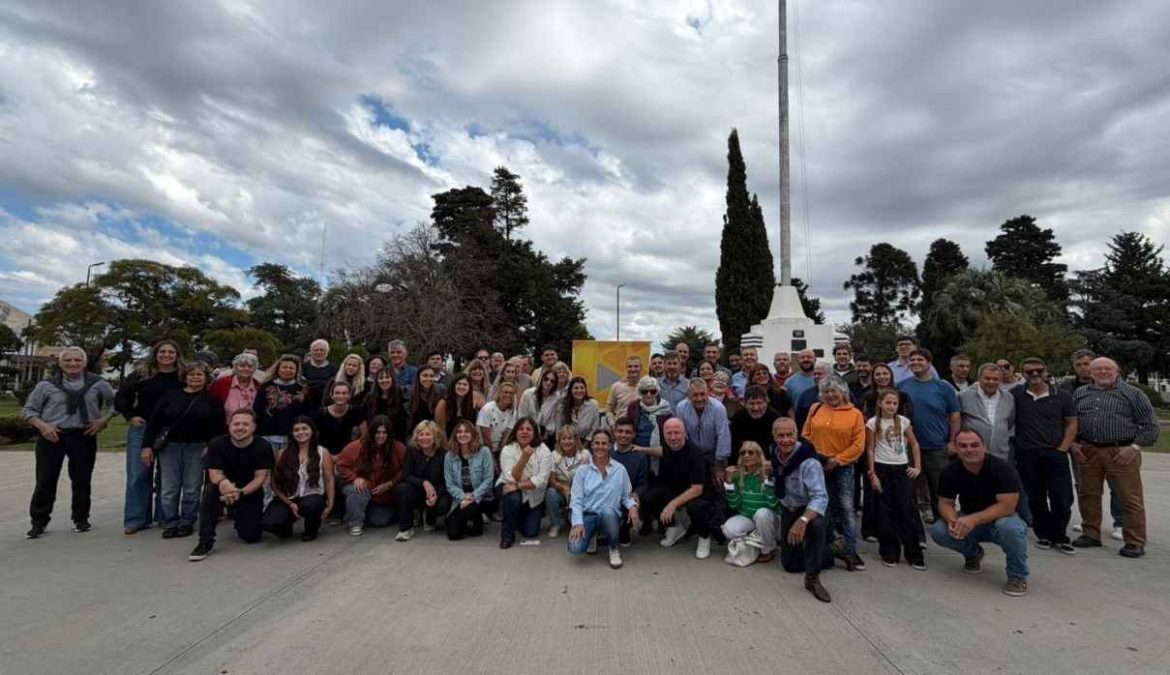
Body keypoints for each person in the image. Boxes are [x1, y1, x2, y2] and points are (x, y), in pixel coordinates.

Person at [22, 347, 116, 539]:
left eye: (77, 360)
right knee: (45, 479)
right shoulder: (46, 385)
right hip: (52, 436)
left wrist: (103, 420)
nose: (73, 364)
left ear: (85, 362)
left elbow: (117, 403)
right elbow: (29, 411)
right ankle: (38, 522)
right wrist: (43, 426)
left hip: (84, 435)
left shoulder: (98, 384)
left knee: (82, 479)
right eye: (68, 360)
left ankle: (81, 518)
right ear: (60, 363)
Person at [1070, 357, 1159, 558]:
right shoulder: (1080, 394)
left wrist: (1134, 447)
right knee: (1088, 494)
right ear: (1090, 373)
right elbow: (1071, 422)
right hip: (1088, 451)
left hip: (1122, 452)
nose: (1103, 372)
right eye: (1098, 369)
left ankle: (1134, 541)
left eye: (1107, 368)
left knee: (1129, 498)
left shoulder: (1133, 394)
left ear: (1117, 371)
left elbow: (1151, 426)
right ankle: (1090, 533)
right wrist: (1074, 444)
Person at [930, 429, 1030, 597]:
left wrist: (972, 520)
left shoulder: (1003, 469)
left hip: (1001, 519)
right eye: (963, 446)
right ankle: (973, 554)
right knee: (940, 530)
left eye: (974, 445)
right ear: (956, 448)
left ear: (984, 446)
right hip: (970, 519)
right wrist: (954, 521)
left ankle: (1018, 576)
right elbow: (945, 503)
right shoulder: (950, 471)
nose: (969, 450)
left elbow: (1007, 507)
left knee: (1011, 529)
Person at [142, 361, 224, 539]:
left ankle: (187, 521)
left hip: (198, 447)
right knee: (169, 488)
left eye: (199, 375)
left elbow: (218, 427)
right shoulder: (170, 396)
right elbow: (154, 422)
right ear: (185, 377)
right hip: (170, 447)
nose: (195, 378)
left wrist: (211, 446)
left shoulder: (212, 399)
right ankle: (170, 521)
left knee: (192, 488)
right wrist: (147, 446)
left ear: (206, 378)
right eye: (192, 374)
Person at [115, 339, 183, 535]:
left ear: (177, 355)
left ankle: (165, 515)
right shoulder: (141, 375)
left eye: (171, 352)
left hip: (170, 430)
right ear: (155, 354)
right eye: (163, 352)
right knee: (138, 474)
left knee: (167, 477)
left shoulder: (182, 376)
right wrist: (130, 415)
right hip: (142, 428)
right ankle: (136, 518)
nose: (167, 355)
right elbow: (121, 397)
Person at [187, 410, 273, 561]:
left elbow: (260, 478)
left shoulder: (263, 446)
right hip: (222, 488)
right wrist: (224, 484)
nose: (240, 427)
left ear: (254, 427)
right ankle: (205, 541)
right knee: (209, 491)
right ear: (229, 426)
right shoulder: (216, 443)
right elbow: (214, 474)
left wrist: (239, 493)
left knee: (252, 537)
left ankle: (237, 514)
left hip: (248, 491)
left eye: (245, 424)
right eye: (236, 424)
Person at [1011, 357, 1078, 553]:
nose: (1034, 375)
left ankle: (1060, 535)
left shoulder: (1062, 395)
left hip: (1055, 453)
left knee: (1062, 498)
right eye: (1029, 372)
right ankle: (1044, 535)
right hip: (1027, 454)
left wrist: (1063, 448)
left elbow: (1072, 422)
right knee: (1035, 498)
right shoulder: (1017, 394)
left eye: (1038, 370)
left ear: (1046, 371)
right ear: (1023, 374)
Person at [802, 377, 867, 571]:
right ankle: (828, 547)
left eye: (834, 391)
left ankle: (849, 549)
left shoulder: (855, 414)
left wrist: (837, 459)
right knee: (824, 507)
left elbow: (858, 444)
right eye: (827, 392)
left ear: (843, 392)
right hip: (818, 463)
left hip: (843, 466)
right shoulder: (816, 409)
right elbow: (806, 434)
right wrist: (817, 455)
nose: (830, 395)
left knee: (846, 509)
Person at [768, 417, 834, 603]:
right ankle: (829, 552)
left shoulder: (809, 462)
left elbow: (820, 497)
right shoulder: (775, 452)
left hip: (811, 507)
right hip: (789, 505)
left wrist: (803, 520)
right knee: (789, 565)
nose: (785, 440)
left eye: (790, 435)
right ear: (774, 436)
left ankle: (813, 577)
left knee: (816, 525)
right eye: (780, 436)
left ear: (796, 434)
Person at [1060, 348, 1123, 538]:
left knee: (1117, 485)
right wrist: (1071, 443)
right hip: (1081, 444)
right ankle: (1089, 521)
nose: (1082, 368)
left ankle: (1120, 522)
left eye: (1086, 364)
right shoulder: (1067, 388)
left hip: (1112, 444)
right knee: (1084, 486)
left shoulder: (1113, 385)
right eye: (1078, 365)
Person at [638, 418, 717, 559]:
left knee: (695, 507)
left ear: (685, 433)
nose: (673, 437)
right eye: (669, 433)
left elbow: (697, 489)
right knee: (649, 496)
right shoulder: (669, 446)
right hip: (677, 487)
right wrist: (642, 449)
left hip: (700, 493)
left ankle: (704, 537)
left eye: (677, 433)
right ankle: (675, 527)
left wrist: (672, 504)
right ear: (663, 434)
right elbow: (662, 451)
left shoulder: (695, 454)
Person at [897, 348, 960, 521]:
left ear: (929, 363)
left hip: (937, 446)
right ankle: (913, 530)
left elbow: (954, 415)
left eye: (920, 359)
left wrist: (953, 441)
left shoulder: (943, 387)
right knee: (908, 491)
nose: (915, 362)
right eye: (912, 360)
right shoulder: (903, 386)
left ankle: (944, 527)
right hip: (908, 447)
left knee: (940, 490)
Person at [865, 389, 925, 569]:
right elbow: (870, 449)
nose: (891, 406)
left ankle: (914, 553)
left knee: (905, 511)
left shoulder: (903, 421)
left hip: (901, 468)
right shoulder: (873, 423)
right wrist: (872, 473)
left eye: (895, 403)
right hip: (882, 468)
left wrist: (917, 466)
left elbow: (914, 443)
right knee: (884, 513)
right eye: (888, 402)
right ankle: (889, 552)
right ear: (880, 403)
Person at [568, 429, 642, 569]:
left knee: (607, 511)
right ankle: (592, 535)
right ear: (592, 445)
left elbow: (626, 495)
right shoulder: (582, 471)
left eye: (604, 443)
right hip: (588, 515)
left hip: (610, 517)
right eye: (597, 443)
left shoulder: (620, 469)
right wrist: (577, 523)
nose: (600, 446)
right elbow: (576, 500)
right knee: (575, 548)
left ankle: (613, 548)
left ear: (609, 446)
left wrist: (632, 507)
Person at [261, 416, 334, 541]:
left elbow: (329, 479)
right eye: (297, 430)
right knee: (269, 523)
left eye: (305, 428)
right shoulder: (282, 453)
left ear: (312, 431)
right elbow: (275, 483)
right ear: (292, 433)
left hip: (313, 495)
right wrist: (289, 502)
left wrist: (330, 504)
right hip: (289, 496)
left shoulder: (323, 452)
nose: (301, 432)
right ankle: (285, 526)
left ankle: (311, 529)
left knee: (311, 506)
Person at [334, 415, 407, 536]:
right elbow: (341, 466)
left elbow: (405, 469)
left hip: (384, 494)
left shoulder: (398, 447)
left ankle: (356, 511)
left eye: (385, 432)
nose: (381, 436)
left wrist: (390, 484)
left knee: (379, 521)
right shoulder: (356, 446)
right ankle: (355, 523)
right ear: (371, 431)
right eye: (377, 432)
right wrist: (355, 478)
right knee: (356, 490)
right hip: (363, 487)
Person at [495, 417, 554, 548]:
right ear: (516, 432)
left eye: (529, 429)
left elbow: (542, 480)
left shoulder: (544, 450)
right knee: (513, 498)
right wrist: (524, 457)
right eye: (521, 429)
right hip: (508, 488)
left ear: (535, 433)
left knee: (530, 532)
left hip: (532, 494)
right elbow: (510, 477)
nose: (524, 432)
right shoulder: (508, 449)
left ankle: (517, 515)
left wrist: (518, 485)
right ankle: (507, 535)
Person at [721, 441, 780, 564]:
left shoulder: (768, 472)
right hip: (747, 517)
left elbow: (774, 504)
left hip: (769, 518)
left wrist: (767, 481)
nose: (746, 455)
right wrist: (730, 484)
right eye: (743, 453)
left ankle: (767, 549)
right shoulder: (739, 475)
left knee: (762, 514)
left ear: (759, 455)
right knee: (728, 529)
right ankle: (755, 541)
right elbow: (734, 505)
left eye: (751, 452)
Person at [393, 420, 450, 541]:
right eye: (421, 434)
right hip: (417, 490)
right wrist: (424, 482)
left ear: (435, 437)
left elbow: (446, 481)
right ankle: (406, 529)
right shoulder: (412, 451)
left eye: (428, 434)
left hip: (436, 492)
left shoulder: (444, 455)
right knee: (402, 488)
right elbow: (406, 475)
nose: (424, 438)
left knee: (444, 503)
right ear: (416, 437)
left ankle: (429, 517)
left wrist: (435, 494)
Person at [444, 420, 497, 540]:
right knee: (453, 535)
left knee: (472, 528)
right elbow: (449, 483)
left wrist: (473, 496)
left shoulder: (484, 452)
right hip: (460, 499)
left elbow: (488, 480)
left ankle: (477, 519)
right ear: (455, 435)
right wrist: (463, 497)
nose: (463, 434)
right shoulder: (449, 456)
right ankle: (466, 519)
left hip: (481, 497)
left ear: (473, 434)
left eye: (467, 431)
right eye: (459, 432)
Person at [958, 363, 1015, 461]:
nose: (991, 382)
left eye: (995, 379)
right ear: (979, 378)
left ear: (1000, 380)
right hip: (971, 454)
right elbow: (956, 420)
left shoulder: (1008, 397)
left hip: (1000, 455)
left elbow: (1009, 421)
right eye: (987, 378)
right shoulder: (964, 396)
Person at [253, 355, 309, 452]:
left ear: (297, 371)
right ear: (278, 369)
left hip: (292, 436)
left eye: (291, 368)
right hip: (266, 434)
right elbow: (257, 409)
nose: (287, 370)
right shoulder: (265, 387)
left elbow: (306, 413)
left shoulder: (302, 389)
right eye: (284, 367)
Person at [545, 425, 591, 538]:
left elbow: (589, 479)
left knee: (572, 521)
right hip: (561, 490)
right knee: (550, 493)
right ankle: (555, 524)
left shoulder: (585, 455)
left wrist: (575, 493)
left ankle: (570, 517)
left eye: (570, 438)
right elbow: (552, 480)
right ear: (559, 441)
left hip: (580, 492)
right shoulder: (554, 455)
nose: (567, 441)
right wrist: (563, 488)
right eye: (564, 438)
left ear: (576, 439)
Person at [611, 416, 650, 546]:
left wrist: (636, 494)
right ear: (614, 432)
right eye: (620, 431)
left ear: (633, 434)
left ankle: (624, 531)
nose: (623, 435)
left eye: (628, 432)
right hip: (606, 495)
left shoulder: (640, 457)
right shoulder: (605, 451)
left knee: (633, 501)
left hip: (627, 497)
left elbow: (643, 483)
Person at [674, 379, 731, 466]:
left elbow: (723, 435)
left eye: (702, 394)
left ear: (707, 393)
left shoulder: (719, 408)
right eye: (695, 395)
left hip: (714, 455)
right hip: (691, 455)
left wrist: (719, 464)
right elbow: (683, 435)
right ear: (688, 395)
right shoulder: (681, 408)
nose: (699, 399)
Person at [730, 386, 785, 466]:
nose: (755, 408)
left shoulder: (776, 418)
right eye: (751, 403)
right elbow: (733, 445)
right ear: (745, 404)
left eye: (759, 403)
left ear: (767, 402)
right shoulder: (738, 417)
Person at [315, 381, 366, 457]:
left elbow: (364, 436)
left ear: (349, 395)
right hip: (326, 455)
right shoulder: (322, 413)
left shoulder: (357, 411)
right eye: (337, 393)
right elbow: (315, 438)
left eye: (344, 393)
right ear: (331, 395)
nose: (340, 396)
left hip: (350, 454)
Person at [209, 352, 261, 419]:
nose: (246, 369)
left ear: (255, 369)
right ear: (235, 367)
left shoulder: (259, 386)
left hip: (250, 427)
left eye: (250, 366)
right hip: (223, 426)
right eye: (242, 366)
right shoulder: (220, 384)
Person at [518, 368, 562, 445]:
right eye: (546, 379)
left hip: (545, 436)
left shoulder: (557, 398)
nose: (548, 382)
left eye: (552, 381)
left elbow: (555, 421)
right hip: (527, 432)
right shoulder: (528, 394)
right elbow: (522, 415)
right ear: (542, 379)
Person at [365, 367, 409, 442]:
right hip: (375, 437)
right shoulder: (370, 398)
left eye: (387, 377)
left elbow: (404, 421)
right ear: (377, 381)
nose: (384, 380)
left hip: (397, 437)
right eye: (381, 378)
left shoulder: (402, 396)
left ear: (393, 379)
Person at [434, 373, 484, 439]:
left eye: (465, 385)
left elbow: (487, 412)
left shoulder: (475, 397)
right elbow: (441, 429)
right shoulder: (443, 403)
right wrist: (446, 447)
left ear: (469, 387)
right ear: (453, 385)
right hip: (450, 440)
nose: (461, 387)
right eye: (459, 384)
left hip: (471, 440)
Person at [558, 376, 606, 440]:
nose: (579, 390)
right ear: (571, 390)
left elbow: (594, 429)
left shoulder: (593, 404)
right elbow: (559, 429)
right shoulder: (562, 406)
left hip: (587, 442)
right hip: (567, 441)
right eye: (576, 388)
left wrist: (584, 447)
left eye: (582, 388)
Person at [478, 381, 519, 453]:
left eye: (511, 393)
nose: (508, 395)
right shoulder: (488, 408)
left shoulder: (513, 412)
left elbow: (506, 436)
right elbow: (485, 437)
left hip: (499, 447)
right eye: (505, 392)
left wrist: (502, 453)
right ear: (499, 394)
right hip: (483, 446)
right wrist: (492, 456)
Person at [793, 362, 831, 432]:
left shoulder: (840, 393)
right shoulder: (805, 395)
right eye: (814, 374)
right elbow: (799, 419)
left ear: (829, 375)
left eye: (819, 374)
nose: (816, 376)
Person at [302, 339, 338, 409]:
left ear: (327, 352)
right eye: (316, 350)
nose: (319, 352)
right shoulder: (303, 366)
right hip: (306, 403)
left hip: (326, 404)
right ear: (311, 352)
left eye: (322, 350)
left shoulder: (334, 368)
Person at [606, 355, 644, 422]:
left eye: (636, 366)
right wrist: (612, 424)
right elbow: (609, 409)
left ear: (641, 367)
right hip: (621, 428)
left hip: (640, 429)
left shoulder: (646, 387)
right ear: (626, 368)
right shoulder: (616, 386)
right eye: (630, 366)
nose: (633, 369)